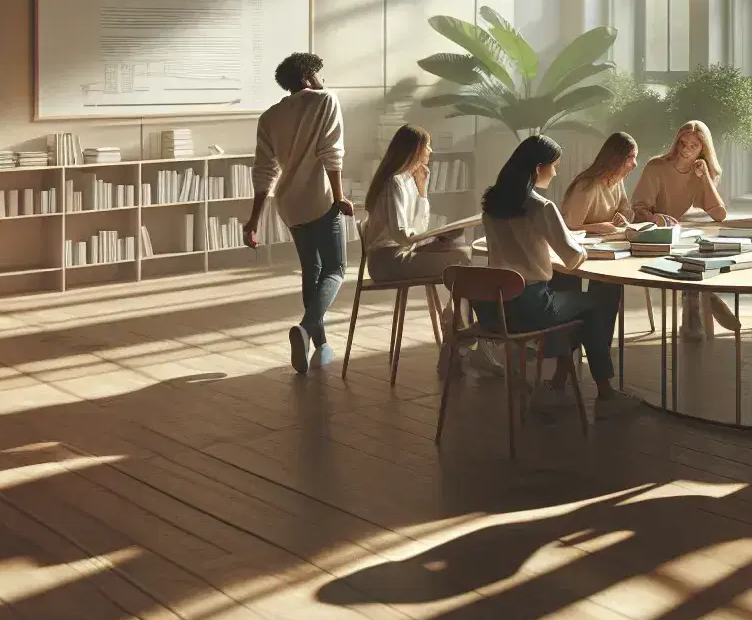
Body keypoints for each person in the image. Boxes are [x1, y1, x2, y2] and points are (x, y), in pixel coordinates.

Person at [478, 135, 637, 416]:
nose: (556, 172)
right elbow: (573, 257)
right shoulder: (540, 207)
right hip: (531, 306)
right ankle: (605, 393)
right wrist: (585, 245)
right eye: (554, 165)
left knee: (574, 306)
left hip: (497, 310)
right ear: (538, 167)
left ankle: (558, 380)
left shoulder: (491, 203)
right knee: (590, 306)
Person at [246, 52, 351, 374]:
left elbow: (264, 171)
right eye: (320, 75)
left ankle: (319, 346)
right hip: (320, 199)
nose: (323, 81)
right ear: (307, 77)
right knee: (335, 270)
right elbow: (331, 151)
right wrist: (340, 196)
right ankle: (307, 327)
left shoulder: (270, 116)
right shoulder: (325, 100)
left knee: (312, 269)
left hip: (289, 203)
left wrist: (254, 220)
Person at [631, 121, 736, 335]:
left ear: (703, 150)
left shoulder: (699, 172)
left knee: (705, 249)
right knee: (690, 257)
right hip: (655, 233)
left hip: (682, 235)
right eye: (683, 143)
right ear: (676, 143)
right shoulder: (656, 167)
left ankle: (694, 306)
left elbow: (719, 214)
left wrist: (704, 175)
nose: (686, 150)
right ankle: (704, 298)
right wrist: (657, 218)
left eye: (694, 146)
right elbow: (638, 209)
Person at [361, 123, 473, 281]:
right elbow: (400, 234)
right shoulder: (394, 182)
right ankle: (455, 305)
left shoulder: (408, 180)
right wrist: (429, 239)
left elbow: (420, 227)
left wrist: (422, 191)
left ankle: (453, 304)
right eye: (427, 145)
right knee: (462, 257)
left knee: (460, 248)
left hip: (401, 252)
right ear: (415, 149)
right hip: (387, 261)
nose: (430, 151)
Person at [562, 133, 638, 235]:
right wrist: (599, 227)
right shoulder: (586, 186)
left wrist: (622, 219)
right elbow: (569, 227)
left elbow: (624, 211)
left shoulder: (618, 181)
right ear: (615, 158)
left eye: (635, 157)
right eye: (630, 157)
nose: (635, 163)